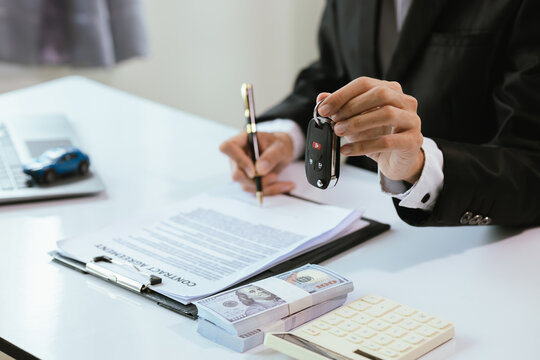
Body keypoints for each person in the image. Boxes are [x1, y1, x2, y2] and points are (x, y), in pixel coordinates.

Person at [220, 0, 540, 227]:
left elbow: (531, 161)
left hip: (479, 251)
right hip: (353, 219)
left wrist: (418, 166)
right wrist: (288, 135)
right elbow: (334, 72)